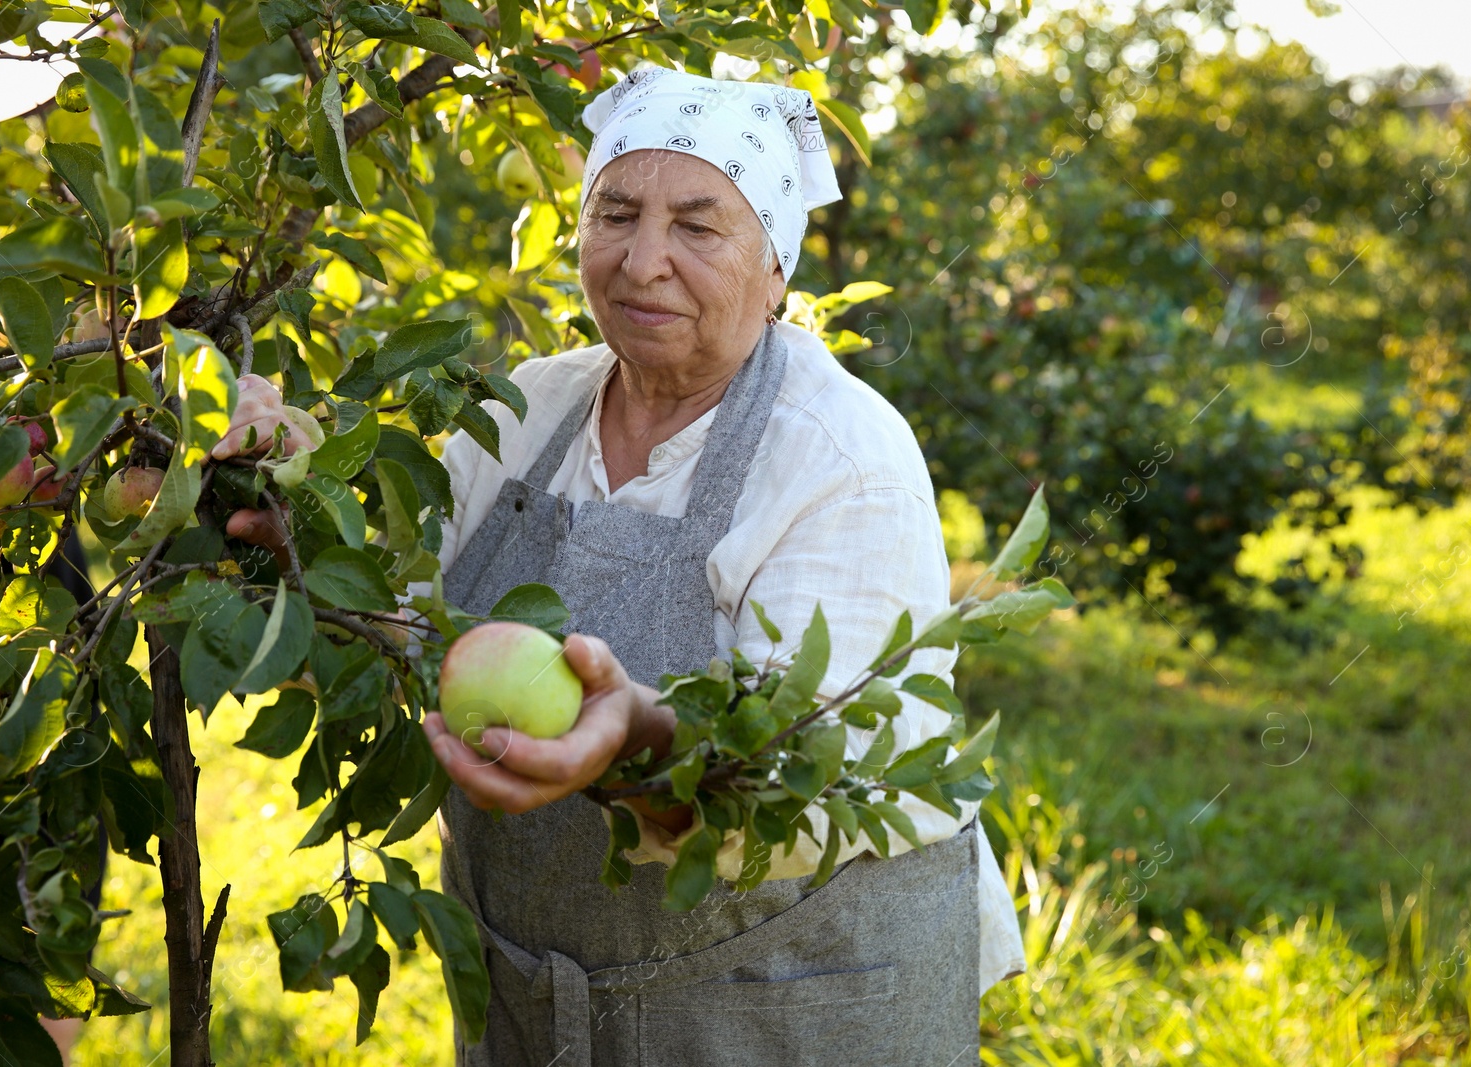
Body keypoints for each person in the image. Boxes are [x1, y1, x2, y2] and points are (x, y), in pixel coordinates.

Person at [230, 69, 1024, 1066]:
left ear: (774, 266)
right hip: (542, 1001)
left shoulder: (840, 457)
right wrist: (302, 508)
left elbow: (805, 779)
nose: (643, 261)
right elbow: (400, 623)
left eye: (697, 227)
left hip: (778, 1006)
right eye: (615, 212)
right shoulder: (524, 412)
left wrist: (637, 738)